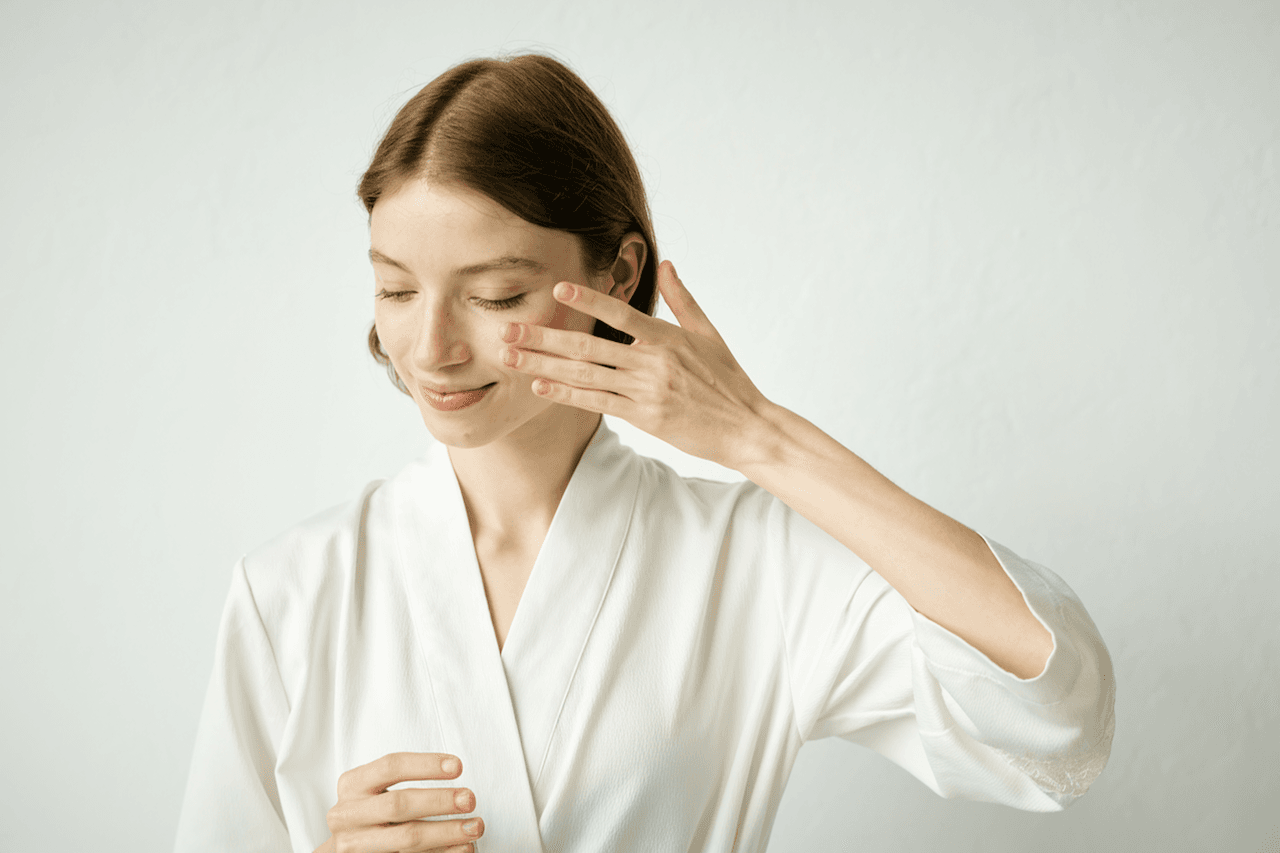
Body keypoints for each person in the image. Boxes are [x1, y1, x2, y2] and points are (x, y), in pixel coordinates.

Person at [173, 52, 1116, 853]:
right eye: (395, 290)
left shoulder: (748, 564)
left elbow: (1054, 709)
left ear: (616, 275)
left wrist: (758, 433)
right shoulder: (290, 591)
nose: (430, 349)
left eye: (495, 294)